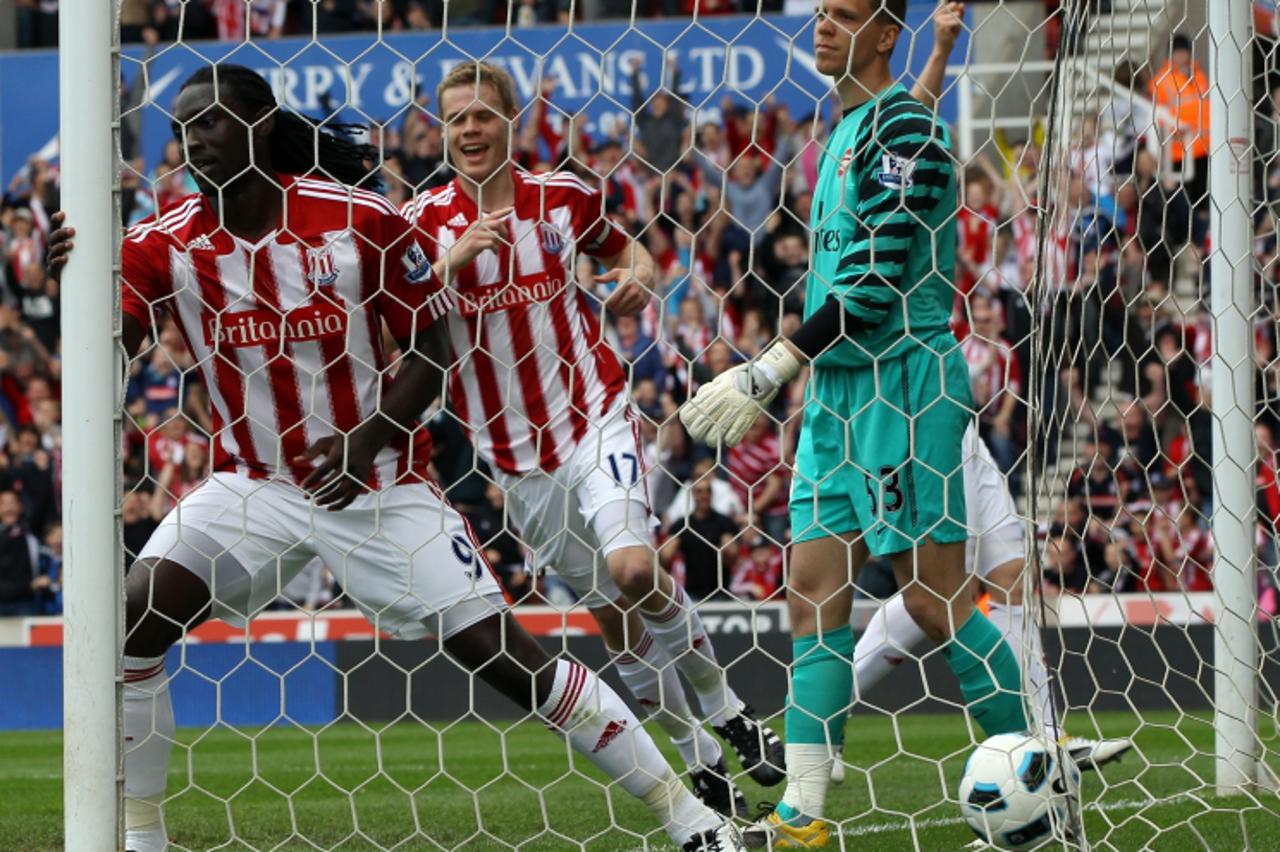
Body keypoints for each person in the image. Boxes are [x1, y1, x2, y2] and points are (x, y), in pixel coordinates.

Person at [47, 64, 743, 852]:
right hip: (252, 486)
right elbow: (117, 348)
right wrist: (75, 286)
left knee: (513, 663)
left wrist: (367, 438)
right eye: (184, 125)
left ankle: (693, 821)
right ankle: (142, 838)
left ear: (263, 124)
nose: (192, 139)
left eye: (210, 120)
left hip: (380, 484)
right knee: (132, 618)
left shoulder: (360, 220)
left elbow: (431, 348)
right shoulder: (160, 242)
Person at [679, 1, 1035, 845]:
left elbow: (872, 286)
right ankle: (802, 814)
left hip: (904, 385)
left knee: (935, 595)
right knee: (810, 597)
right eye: (822, 13)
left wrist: (768, 367)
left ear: (884, 34)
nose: (823, 26)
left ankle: (1031, 772)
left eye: (845, 15)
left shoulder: (906, 128)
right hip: (838, 396)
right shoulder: (841, 132)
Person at [402, 60, 783, 820]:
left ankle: (729, 709)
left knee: (635, 570)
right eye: (456, 120)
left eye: (483, 114)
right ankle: (699, 758)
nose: (469, 129)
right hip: (515, 459)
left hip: (592, 415)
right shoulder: (421, 224)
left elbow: (626, 251)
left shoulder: (564, 195)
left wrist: (638, 274)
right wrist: (448, 265)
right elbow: (396, 322)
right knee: (612, 611)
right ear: (442, 133)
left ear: (512, 121)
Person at [832, 425, 1134, 784]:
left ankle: (1048, 736)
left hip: (965, 428)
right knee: (946, 586)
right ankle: (826, 712)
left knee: (1010, 577)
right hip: (922, 419)